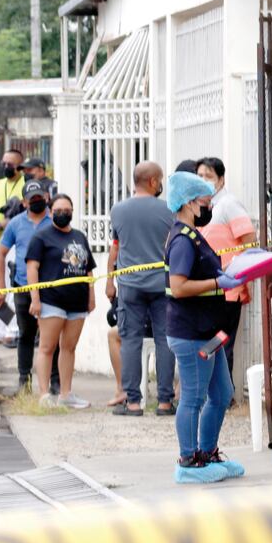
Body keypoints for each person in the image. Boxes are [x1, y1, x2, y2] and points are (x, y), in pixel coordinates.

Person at [164, 172, 247, 484]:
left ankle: (208, 452)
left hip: (208, 331)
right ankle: (189, 461)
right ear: (188, 204)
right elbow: (179, 286)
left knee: (222, 392)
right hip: (191, 334)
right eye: (204, 202)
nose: (209, 207)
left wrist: (231, 272)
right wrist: (217, 281)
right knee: (194, 397)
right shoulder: (183, 240)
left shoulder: (192, 235)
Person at [105, 162, 176, 416]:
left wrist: (109, 281)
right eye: (160, 180)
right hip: (161, 285)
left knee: (131, 341)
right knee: (165, 340)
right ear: (153, 181)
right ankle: (165, 402)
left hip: (130, 286)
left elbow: (116, 247)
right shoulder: (169, 210)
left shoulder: (118, 211)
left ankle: (133, 402)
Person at [26, 194, 96, 409]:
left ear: (73, 212)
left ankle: (66, 394)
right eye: (58, 210)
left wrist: (91, 296)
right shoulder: (42, 236)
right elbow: (32, 268)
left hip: (77, 302)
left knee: (69, 347)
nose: (63, 213)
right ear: (50, 211)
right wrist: (35, 299)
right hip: (51, 301)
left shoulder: (79, 236)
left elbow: (88, 269)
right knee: (47, 347)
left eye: (67, 210)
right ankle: (44, 395)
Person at [0, 181, 59, 394]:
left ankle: (55, 382)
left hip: (51, 288)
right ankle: (24, 381)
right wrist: (1, 286)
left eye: (40, 196)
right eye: (32, 199)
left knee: (52, 337)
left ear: (47, 197)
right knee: (26, 335)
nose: (37, 201)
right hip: (22, 287)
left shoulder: (55, 220)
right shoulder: (15, 224)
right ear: (24, 202)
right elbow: (0, 254)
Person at [195, 157, 256, 385]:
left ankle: (223, 392)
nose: (203, 180)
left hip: (229, 289)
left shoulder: (228, 204)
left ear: (220, 179)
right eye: (199, 176)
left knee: (222, 343)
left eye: (208, 176)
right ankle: (216, 390)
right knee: (212, 342)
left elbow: (250, 240)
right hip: (209, 288)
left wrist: (238, 271)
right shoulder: (203, 207)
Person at [0, 149, 26, 346]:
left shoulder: (24, 184)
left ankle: (12, 330)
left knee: (10, 287)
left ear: (20, 165)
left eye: (10, 163)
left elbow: (21, 213)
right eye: (4, 162)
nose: (6, 166)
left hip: (14, 244)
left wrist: (2, 224)